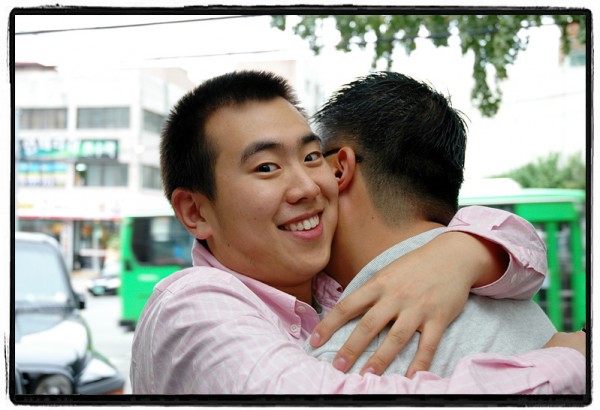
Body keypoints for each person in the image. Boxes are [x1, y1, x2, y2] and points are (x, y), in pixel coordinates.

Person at [130, 70, 585, 394]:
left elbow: (518, 243)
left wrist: (464, 252)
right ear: (195, 212)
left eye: (311, 157)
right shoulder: (194, 304)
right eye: (266, 167)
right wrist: (572, 360)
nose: (309, 186)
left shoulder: (338, 291)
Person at [305, 71, 571, 378]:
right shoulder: (506, 291)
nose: (301, 182)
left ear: (339, 170)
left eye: (311, 159)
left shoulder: (344, 358)